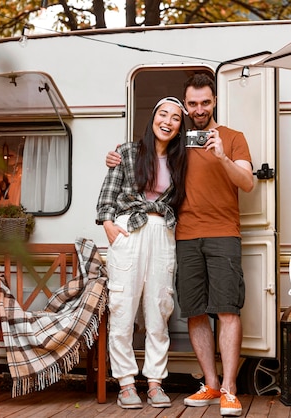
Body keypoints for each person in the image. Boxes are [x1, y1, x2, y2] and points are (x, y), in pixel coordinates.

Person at [106, 74, 254, 416]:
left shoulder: (233, 138)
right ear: (186, 106)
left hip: (223, 233)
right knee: (195, 311)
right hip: (182, 236)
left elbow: (247, 183)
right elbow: (148, 157)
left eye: (205, 102)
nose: (198, 109)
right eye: (192, 104)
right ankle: (211, 384)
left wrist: (221, 157)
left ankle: (230, 390)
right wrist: (116, 157)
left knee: (228, 309)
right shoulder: (179, 143)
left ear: (214, 101)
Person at [96, 97, 188, 409]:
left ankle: (155, 382)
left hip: (162, 231)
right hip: (129, 229)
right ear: (153, 118)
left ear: (179, 127)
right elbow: (109, 190)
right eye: (163, 114)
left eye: (175, 118)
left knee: (159, 307)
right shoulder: (127, 152)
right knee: (123, 306)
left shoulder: (180, 159)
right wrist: (107, 222)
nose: (168, 121)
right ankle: (125, 384)